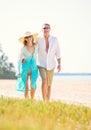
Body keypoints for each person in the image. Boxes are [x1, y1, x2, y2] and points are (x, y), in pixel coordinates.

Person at [37, 23, 61, 101]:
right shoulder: (38, 39)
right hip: (41, 64)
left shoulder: (55, 39)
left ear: (50, 29)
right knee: (44, 81)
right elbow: (33, 48)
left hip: (51, 65)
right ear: (42, 30)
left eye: (47, 28)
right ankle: (44, 100)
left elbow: (58, 52)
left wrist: (59, 64)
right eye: (44, 28)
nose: (46, 29)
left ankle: (47, 101)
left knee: (49, 85)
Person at [16, 31, 38, 99]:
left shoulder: (36, 46)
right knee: (26, 86)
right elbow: (19, 60)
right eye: (27, 37)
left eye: (30, 36)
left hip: (34, 68)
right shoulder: (23, 49)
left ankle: (32, 99)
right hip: (25, 69)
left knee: (33, 84)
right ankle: (26, 100)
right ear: (25, 39)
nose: (29, 38)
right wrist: (18, 72)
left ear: (32, 37)